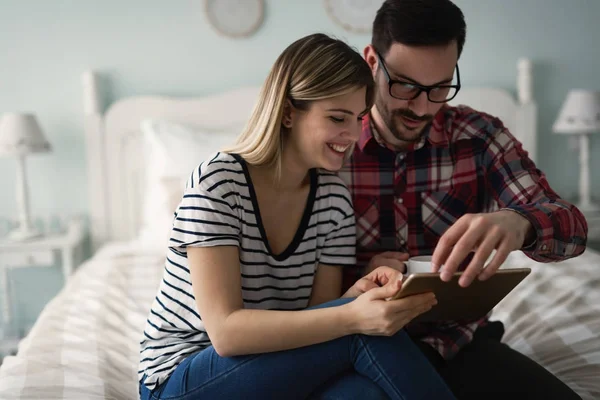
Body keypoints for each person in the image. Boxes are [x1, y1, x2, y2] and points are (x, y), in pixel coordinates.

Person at [138, 33, 457, 400]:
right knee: (360, 332)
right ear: (289, 112)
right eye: (338, 117)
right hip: (182, 377)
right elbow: (226, 333)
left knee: (364, 394)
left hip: (271, 364)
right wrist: (353, 315)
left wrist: (358, 295)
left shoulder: (333, 198)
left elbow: (315, 317)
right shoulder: (219, 183)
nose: (353, 134)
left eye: (358, 118)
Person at [337, 1, 588, 399]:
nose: (422, 107)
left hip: (458, 344)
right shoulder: (332, 144)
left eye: (439, 87)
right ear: (371, 61)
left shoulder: (479, 137)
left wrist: (518, 222)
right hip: (355, 344)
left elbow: (572, 229)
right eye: (405, 85)